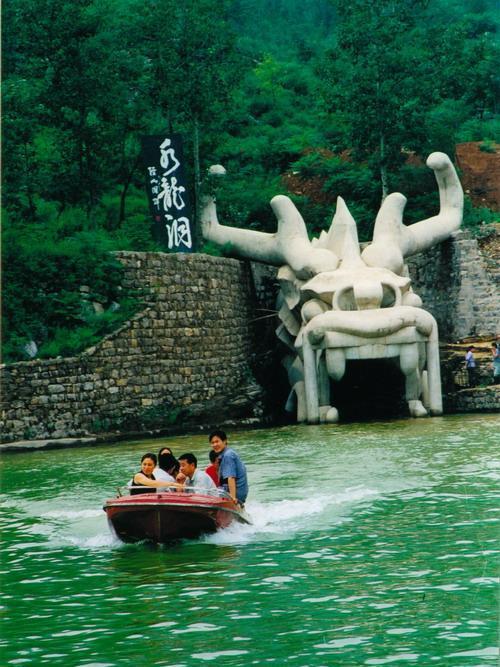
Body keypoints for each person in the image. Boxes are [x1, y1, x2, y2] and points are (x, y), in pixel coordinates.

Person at [209, 429, 248, 506]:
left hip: (236, 495)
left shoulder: (228, 455)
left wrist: (233, 498)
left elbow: (231, 477)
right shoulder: (226, 454)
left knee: (207, 495)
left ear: (224, 441)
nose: (215, 445)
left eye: (217, 441)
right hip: (237, 492)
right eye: (212, 443)